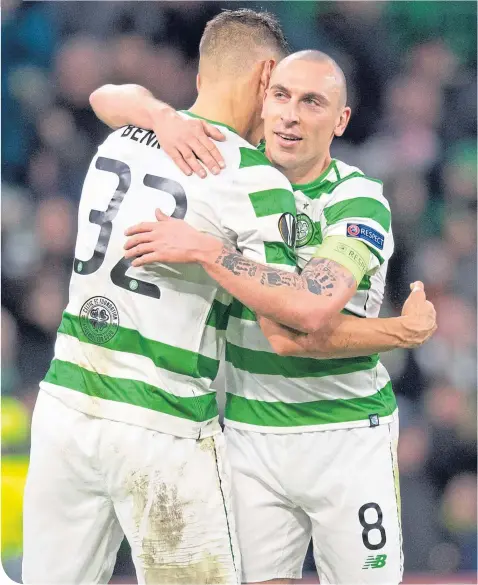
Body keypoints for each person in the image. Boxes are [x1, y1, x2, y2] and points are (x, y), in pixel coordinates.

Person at [91, 50, 437, 584]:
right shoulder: (226, 167)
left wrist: (206, 251)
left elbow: (306, 325)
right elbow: (106, 99)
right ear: (264, 99)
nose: (291, 115)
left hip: (345, 434)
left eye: (312, 102)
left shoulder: (357, 200)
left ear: (341, 120)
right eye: (281, 95)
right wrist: (164, 118)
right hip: (250, 433)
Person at [22, 10, 302, 585]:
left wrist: (156, 113)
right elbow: (289, 322)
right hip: (161, 422)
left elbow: (106, 94)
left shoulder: (123, 135)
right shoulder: (257, 180)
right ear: (265, 75)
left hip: (66, 406)